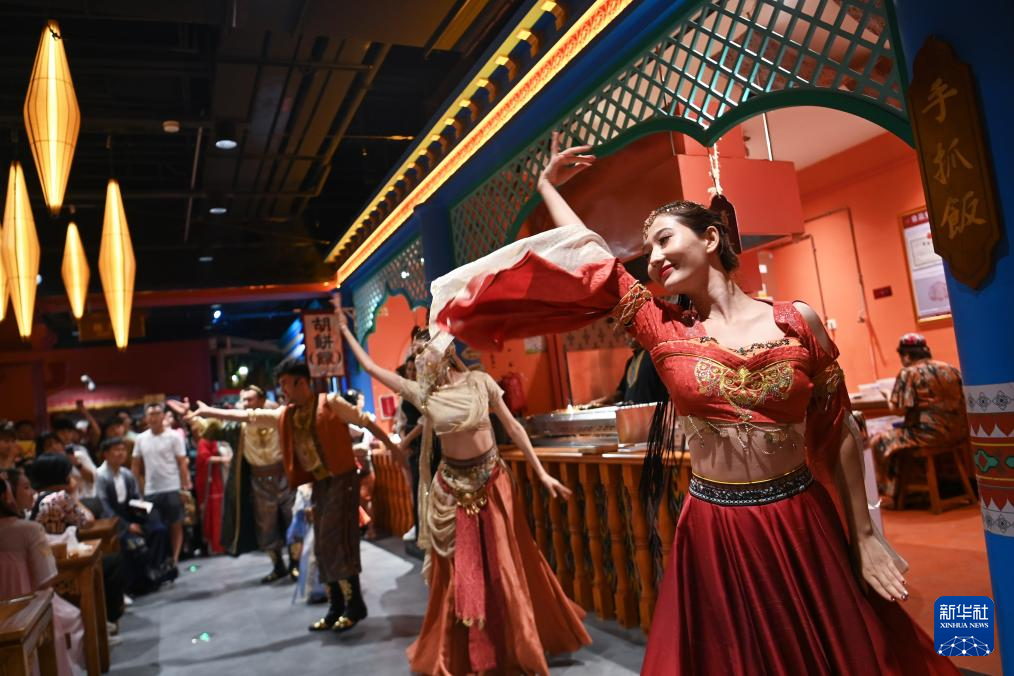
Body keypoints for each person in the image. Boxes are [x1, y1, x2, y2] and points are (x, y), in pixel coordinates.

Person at [425, 132, 959, 674]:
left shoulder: (797, 321)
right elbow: (590, 254)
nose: (654, 258)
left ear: (710, 238)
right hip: (717, 529)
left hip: (800, 518)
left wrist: (864, 536)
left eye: (664, 239)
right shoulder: (662, 328)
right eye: (649, 249)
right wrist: (545, 186)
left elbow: (839, 425)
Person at [336, 301, 591, 675]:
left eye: (424, 350)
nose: (418, 358)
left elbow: (514, 427)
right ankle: (468, 653)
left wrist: (541, 472)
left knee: (504, 564)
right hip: (451, 488)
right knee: (459, 572)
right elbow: (373, 369)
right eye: (416, 353)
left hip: (492, 482)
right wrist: (344, 330)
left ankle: (516, 644)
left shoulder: (479, 382)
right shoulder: (423, 394)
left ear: (445, 351)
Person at [185, 359, 400, 633]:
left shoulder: (330, 402)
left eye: (285, 383)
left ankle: (354, 603)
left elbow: (365, 421)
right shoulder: (286, 414)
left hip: (342, 480)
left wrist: (394, 450)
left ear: (301, 382)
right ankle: (336, 607)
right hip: (319, 484)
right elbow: (250, 417)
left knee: (337, 541)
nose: (282, 389)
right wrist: (209, 412)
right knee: (321, 545)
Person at [169, 385, 297, 583]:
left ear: (262, 399)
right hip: (259, 481)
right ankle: (277, 565)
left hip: (285, 478)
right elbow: (212, 430)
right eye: (243, 400)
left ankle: (296, 563)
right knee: (266, 525)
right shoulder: (240, 426)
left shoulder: (278, 416)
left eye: (250, 399)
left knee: (293, 519)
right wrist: (191, 417)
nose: (246, 404)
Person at [0, 468, 86, 676]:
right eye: (25, 487)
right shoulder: (27, 530)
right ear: (7, 496)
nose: (32, 492)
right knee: (70, 618)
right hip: (29, 610)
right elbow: (46, 579)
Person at [28, 453, 127, 625]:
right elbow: (88, 521)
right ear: (63, 475)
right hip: (64, 563)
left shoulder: (35, 497)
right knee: (114, 561)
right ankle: (108, 618)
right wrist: (72, 494)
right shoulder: (60, 497)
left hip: (44, 562)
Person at [871, 334, 969, 504]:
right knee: (899, 435)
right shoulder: (950, 368)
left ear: (906, 356)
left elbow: (899, 411)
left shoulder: (908, 373)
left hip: (929, 435)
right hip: (959, 432)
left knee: (877, 441)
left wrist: (888, 396)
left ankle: (888, 494)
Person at [95, 437, 172, 594]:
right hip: (113, 522)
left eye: (123, 449)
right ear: (106, 454)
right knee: (130, 541)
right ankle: (137, 582)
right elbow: (105, 507)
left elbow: (136, 499)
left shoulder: (126, 474)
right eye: (116, 450)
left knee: (159, 528)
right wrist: (126, 525)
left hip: (131, 515)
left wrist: (149, 515)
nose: (121, 453)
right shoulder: (101, 476)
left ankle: (154, 569)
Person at [131, 402, 191, 566]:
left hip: (172, 486)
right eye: (151, 414)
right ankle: (161, 559)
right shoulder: (140, 439)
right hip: (151, 490)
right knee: (156, 526)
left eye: (157, 414)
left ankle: (175, 559)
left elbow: (182, 462)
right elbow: (135, 465)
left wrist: (184, 485)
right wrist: (136, 488)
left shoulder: (174, 436)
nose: (154, 417)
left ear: (163, 416)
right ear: (146, 418)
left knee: (175, 524)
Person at [589, 335, 667, 406]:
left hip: (652, 413)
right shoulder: (630, 361)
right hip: (632, 414)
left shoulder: (654, 355)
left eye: (629, 332)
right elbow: (622, 393)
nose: (626, 336)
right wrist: (598, 402)